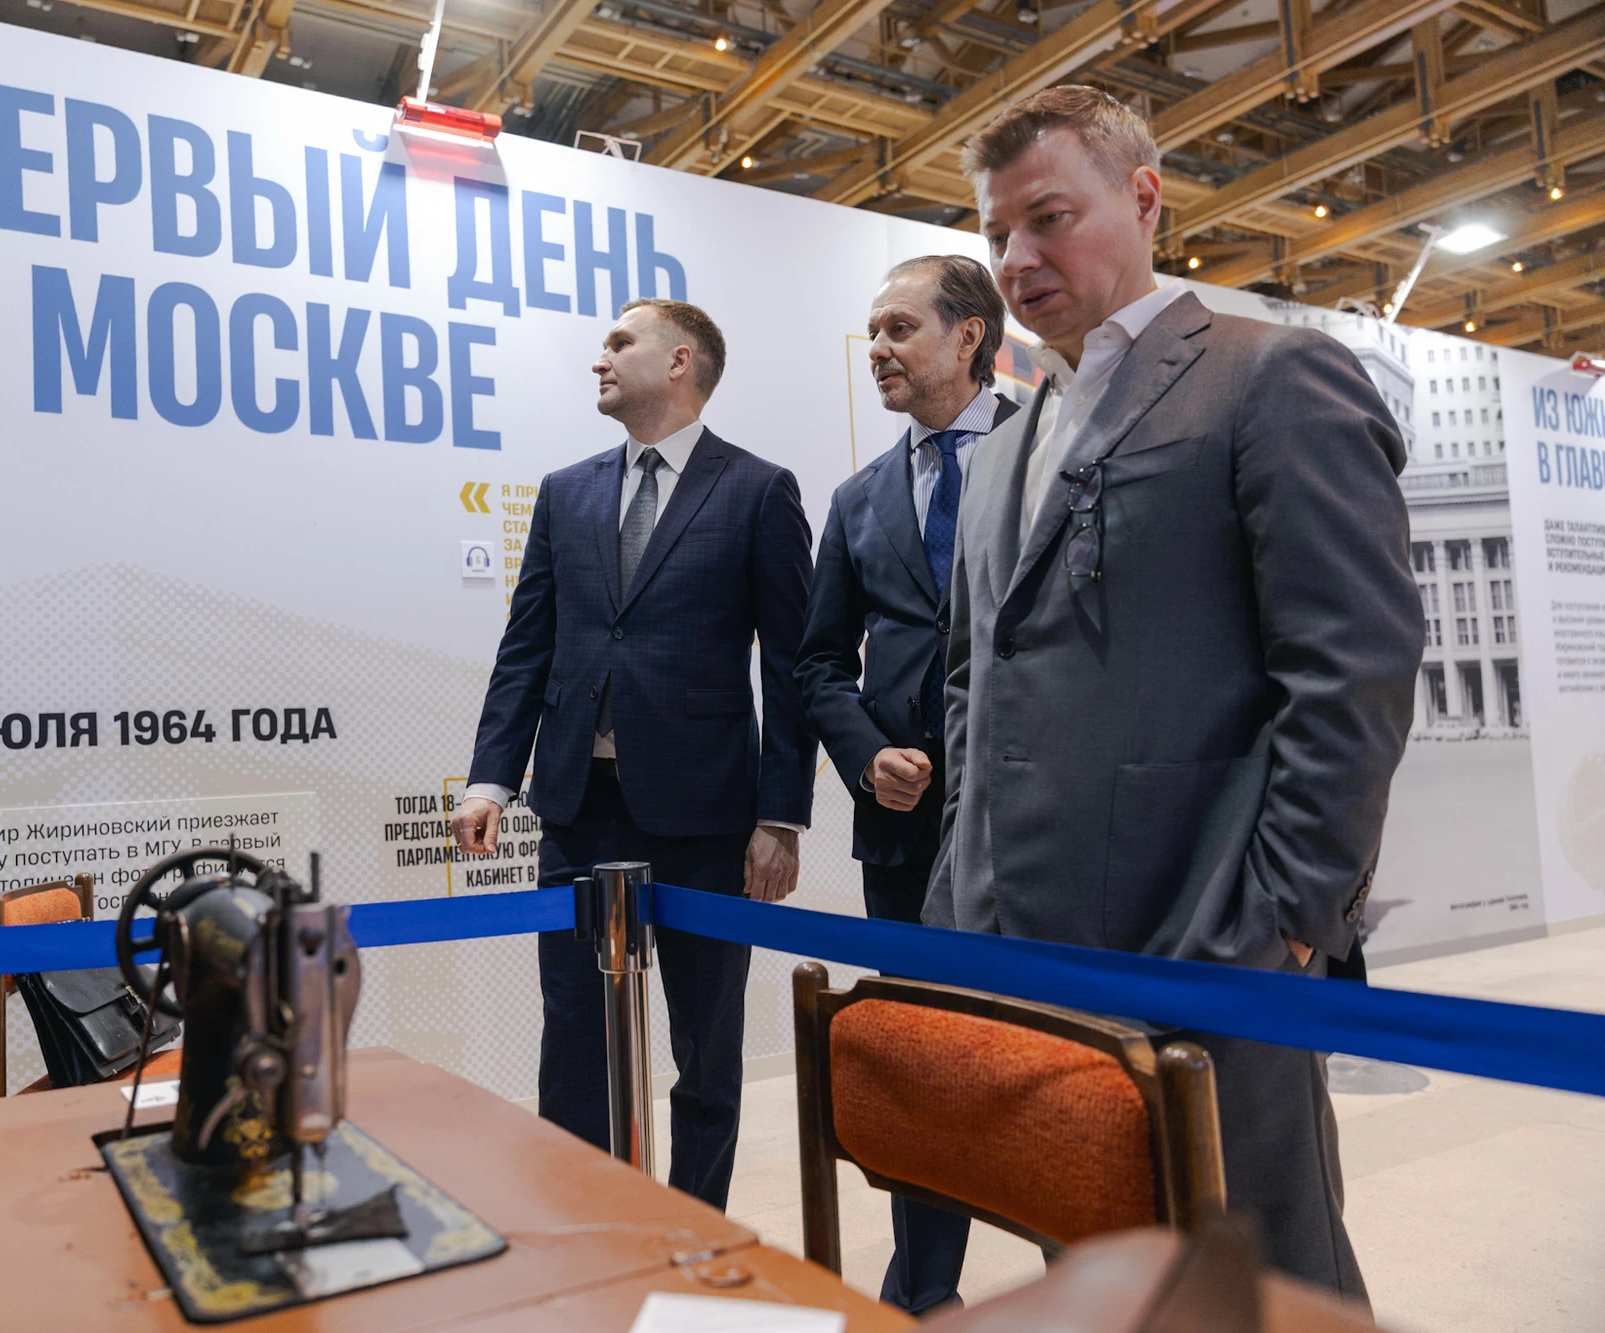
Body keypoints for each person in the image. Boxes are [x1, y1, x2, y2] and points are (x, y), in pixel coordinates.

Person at [925, 86, 1423, 1300]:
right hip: (1024, 954)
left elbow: (1350, 670)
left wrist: (1280, 923)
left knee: (1258, 1281)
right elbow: (972, 678)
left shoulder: (1269, 378)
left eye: (1048, 217)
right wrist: (965, 886)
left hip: (1206, 944)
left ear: (1142, 199)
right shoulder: (1000, 449)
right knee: (1094, 1269)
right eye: (996, 233)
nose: (1016, 257)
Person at [449, 298, 816, 1209]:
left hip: (708, 817)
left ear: (680, 360)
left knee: (706, 1047)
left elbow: (792, 669)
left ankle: (693, 1229)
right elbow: (527, 648)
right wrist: (492, 776)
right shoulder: (565, 491)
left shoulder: (758, 489)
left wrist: (780, 816)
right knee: (573, 1041)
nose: (599, 358)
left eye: (620, 342)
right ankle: (588, 1225)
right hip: (579, 807)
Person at [795, 254, 1017, 1314]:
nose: (876, 349)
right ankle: (922, 1296)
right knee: (924, 1063)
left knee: (1061, 1061)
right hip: (903, 826)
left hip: (1037, 821)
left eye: (898, 328)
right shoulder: (856, 499)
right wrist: (861, 752)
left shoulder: (1055, 447)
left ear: (967, 336)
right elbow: (814, 663)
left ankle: (1092, 1286)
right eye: (872, 331)